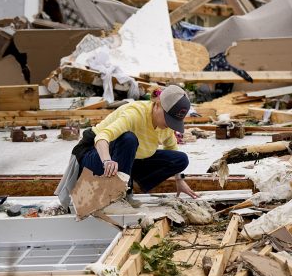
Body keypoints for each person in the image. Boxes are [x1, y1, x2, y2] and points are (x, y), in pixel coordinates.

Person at [71, 85, 199, 203]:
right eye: (169, 119)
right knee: (129, 139)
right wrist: (107, 161)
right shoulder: (135, 114)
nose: (170, 125)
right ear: (157, 105)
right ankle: (117, 193)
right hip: (93, 156)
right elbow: (102, 137)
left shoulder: (166, 127)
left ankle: (129, 184)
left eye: (174, 122)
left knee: (180, 159)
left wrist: (179, 180)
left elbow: (172, 149)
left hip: (125, 160)